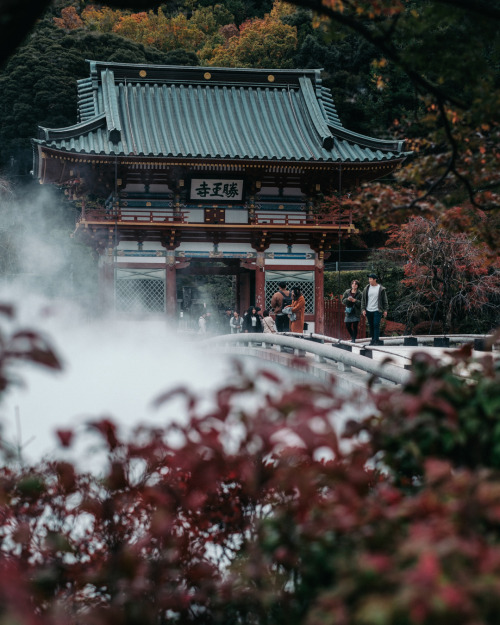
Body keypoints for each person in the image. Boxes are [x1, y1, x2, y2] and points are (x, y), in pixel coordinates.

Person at [361, 273, 389, 345]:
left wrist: (385, 310)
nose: (369, 280)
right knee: (371, 325)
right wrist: (363, 309)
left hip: (377, 310)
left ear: (375, 279)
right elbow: (363, 300)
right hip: (368, 309)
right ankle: (373, 340)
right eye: (369, 279)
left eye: (370, 279)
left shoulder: (381, 289)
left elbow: (384, 300)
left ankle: (376, 340)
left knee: (376, 324)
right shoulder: (366, 288)